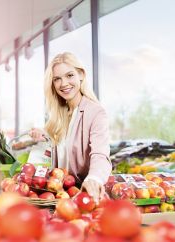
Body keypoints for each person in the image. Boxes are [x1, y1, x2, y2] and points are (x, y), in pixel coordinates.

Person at [30, 52, 111, 204]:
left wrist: (94, 178)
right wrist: (45, 139)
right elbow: (60, 156)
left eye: (69, 75)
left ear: (81, 74)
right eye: (57, 79)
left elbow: (100, 155)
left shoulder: (96, 113)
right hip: (57, 198)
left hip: (82, 197)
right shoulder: (59, 116)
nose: (64, 83)